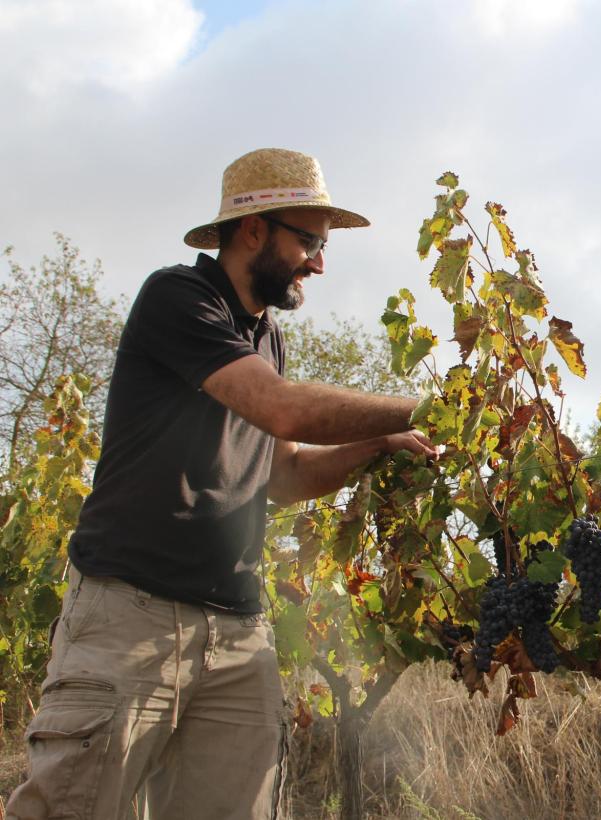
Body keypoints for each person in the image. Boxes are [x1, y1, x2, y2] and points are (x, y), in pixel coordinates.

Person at [5, 148, 438, 820]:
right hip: (129, 617)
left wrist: (377, 443)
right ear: (254, 229)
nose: (320, 263)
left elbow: (285, 475)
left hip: (238, 630)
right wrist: (428, 409)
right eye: (310, 241)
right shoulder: (178, 298)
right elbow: (282, 408)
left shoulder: (268, 338)